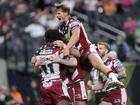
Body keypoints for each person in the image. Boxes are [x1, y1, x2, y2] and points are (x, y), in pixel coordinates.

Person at [55, 4, 123, 87]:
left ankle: (115, 80)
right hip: (79, 55)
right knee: (82, 83)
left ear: (65, 13)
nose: (57, 15)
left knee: (98, 65)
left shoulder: (74, 22)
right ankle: (84, 96)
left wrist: (67, 48)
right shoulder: (61, 28)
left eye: (59, 13)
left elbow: (76, 36)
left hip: (86, 48)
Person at [31, 29, 78, 105]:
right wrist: (60, 60)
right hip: (57, 84)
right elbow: (74, 62)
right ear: (57, 39)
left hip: (44, 85)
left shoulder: (38, 51)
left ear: (45, 39)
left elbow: (34, 64)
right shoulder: (59, 49)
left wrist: (36, 65)